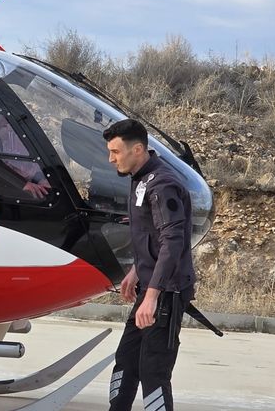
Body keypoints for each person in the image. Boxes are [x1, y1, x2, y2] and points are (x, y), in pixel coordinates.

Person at [103, 119, 196, 411]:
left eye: (116, 152)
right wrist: (135, 271)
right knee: (126, 362)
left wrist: (153, 295)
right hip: (149, 287)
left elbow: (173, 243)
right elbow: (151, 236)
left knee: (153, 372)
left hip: (165, 294)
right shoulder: (141, 180)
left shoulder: (163, 185)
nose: (111, 158)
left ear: (138, 149)